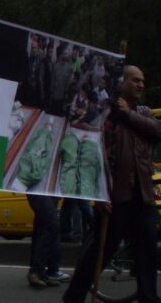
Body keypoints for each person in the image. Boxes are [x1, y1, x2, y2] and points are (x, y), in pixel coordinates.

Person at [63, 65, 161, 303]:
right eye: (135, 80)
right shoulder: (106, 115)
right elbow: (97, 156)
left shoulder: (143, 113)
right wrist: (97, 194)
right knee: (99, 251)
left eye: (143, 81)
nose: (140, 85)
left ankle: (148, 297)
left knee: (147, 251)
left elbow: (157, 131)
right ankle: (73, 297)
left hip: (143, 195)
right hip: (115, 196)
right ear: (122, 83)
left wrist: (129, 114)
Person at [26, 194, 70, 288]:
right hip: (39, 188)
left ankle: (41, 272)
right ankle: (36, 270)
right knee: (51, 224)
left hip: (51, 190)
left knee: (42, 226)